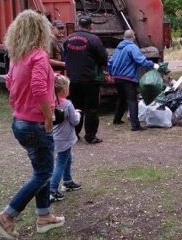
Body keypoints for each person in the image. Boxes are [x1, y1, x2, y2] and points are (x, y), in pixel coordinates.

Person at [0, 10, 65, 240]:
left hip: (20, 122)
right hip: (35, 124)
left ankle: (44, 217)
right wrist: (48, 117)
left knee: (40, 170)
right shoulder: (38, 56)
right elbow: (39, 89)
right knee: (45, 173)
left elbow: (11, 85)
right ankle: (7, 217)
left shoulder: (17, 57)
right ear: (39, 30)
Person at [63, 15, 108, 144]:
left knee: (76, 107)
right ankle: (91, 136)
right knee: (91, 108)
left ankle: (75, 134)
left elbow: (64, 56)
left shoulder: (68, 39)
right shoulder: (94, 39)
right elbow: (103, 58)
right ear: (91, 26)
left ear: (78, 25)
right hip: (90, 80)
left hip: (74, 79)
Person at [108, 29, 159, 131]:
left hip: (117, 78)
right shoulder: (132, 47)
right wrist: (153, 64)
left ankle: (117, 119)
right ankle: (135, 125)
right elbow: (140, 60)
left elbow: (110, 62)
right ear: (133, 37)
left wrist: (111, 74)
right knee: (132, 101)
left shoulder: (118, 49)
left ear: (124, 37)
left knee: (122, 98)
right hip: (128, 78)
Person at [50, 75, 82, 202]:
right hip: (64, 139)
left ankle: (68, 182)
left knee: (67, 158)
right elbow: (74, 121)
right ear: (64, 90)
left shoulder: (51, 103)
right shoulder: (67, 104)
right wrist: (78, 114)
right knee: (60, 163)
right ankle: (52, 190)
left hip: (55, 137)